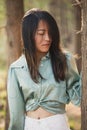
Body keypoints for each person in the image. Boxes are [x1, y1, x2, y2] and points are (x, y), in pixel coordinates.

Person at [7, 8, 81, 130]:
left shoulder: (64, 60)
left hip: (57, 124)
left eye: (50, 33)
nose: (48, 38)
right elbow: (16, 116)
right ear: (29, 35)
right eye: (41, 33)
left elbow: (78, 99)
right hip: (30, 125)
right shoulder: (16, 68)